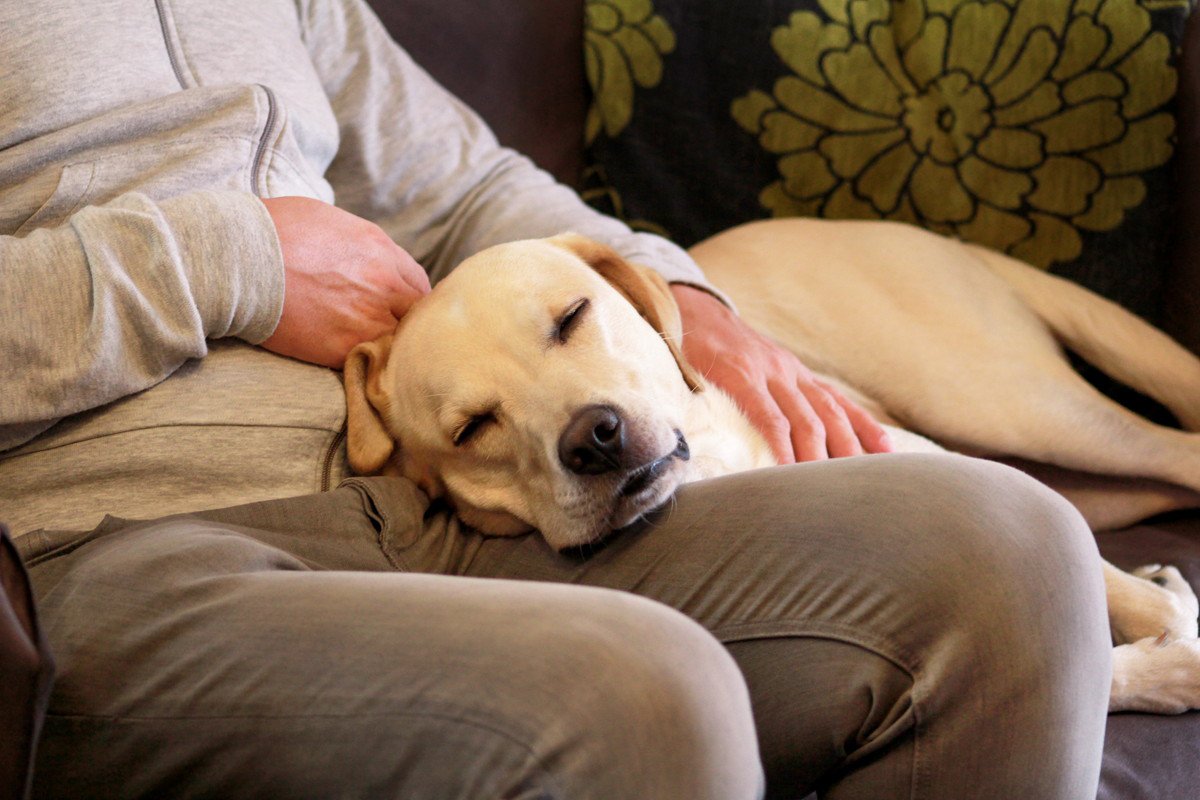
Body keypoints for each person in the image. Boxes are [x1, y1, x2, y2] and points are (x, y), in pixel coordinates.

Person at [0, 0, 1112, 797]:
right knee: (640, 695)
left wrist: (683, 293)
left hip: (446, 509)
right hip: (128, 561)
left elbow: (467, 189)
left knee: (1009, 549)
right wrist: (231, 262)